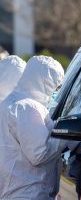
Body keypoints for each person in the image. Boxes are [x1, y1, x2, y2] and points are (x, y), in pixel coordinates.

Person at [0, 56, 66, 200]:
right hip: (29, 193)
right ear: (45, 81)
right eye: (56, 85)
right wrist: (66, 138)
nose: (56, 90)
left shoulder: (11, 102)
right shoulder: (28, 107)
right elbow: (39, 154)